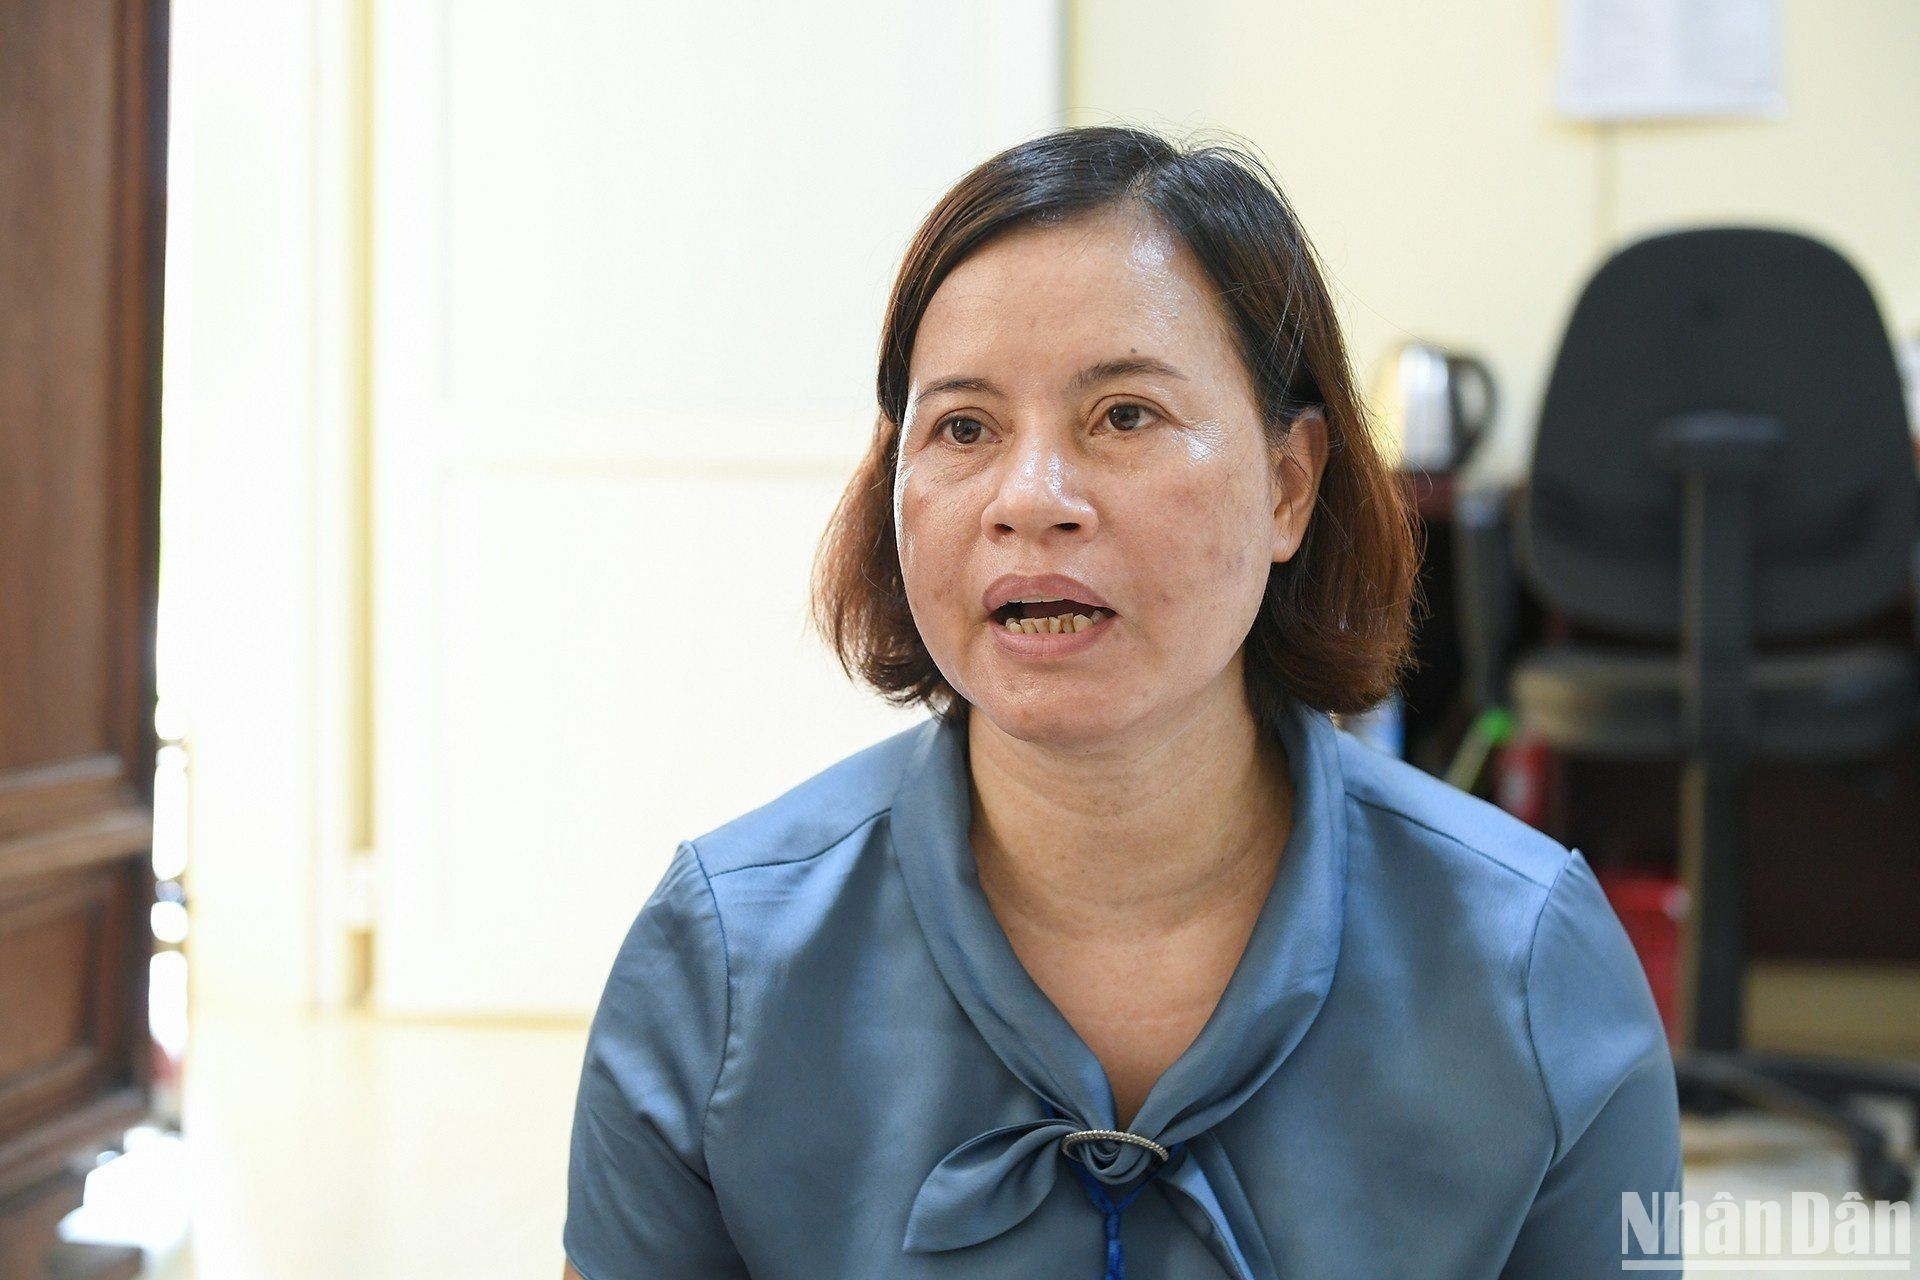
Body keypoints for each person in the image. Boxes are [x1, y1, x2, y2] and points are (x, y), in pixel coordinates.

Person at [561, 124, 1682, 1280]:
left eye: (1125, 415)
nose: (1030, 499)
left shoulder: (1530, 953)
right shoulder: (723, 954)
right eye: (964, 427)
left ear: (1290, 484)